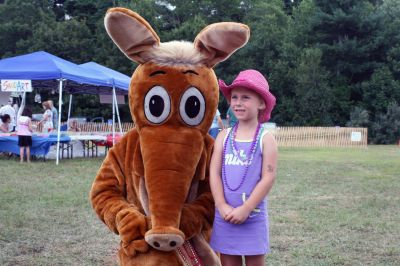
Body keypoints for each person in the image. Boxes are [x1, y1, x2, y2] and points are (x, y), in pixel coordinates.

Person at [209, 69, 277, 266]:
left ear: (261, 103)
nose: (238, 102)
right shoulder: (223, 136)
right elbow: (214, 173)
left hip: (252, 216)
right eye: (234, 97)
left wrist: (246, 209)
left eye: (246, 97)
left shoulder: (266, 139)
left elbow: (268, 178)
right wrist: (221, 205)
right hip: (225, 216)